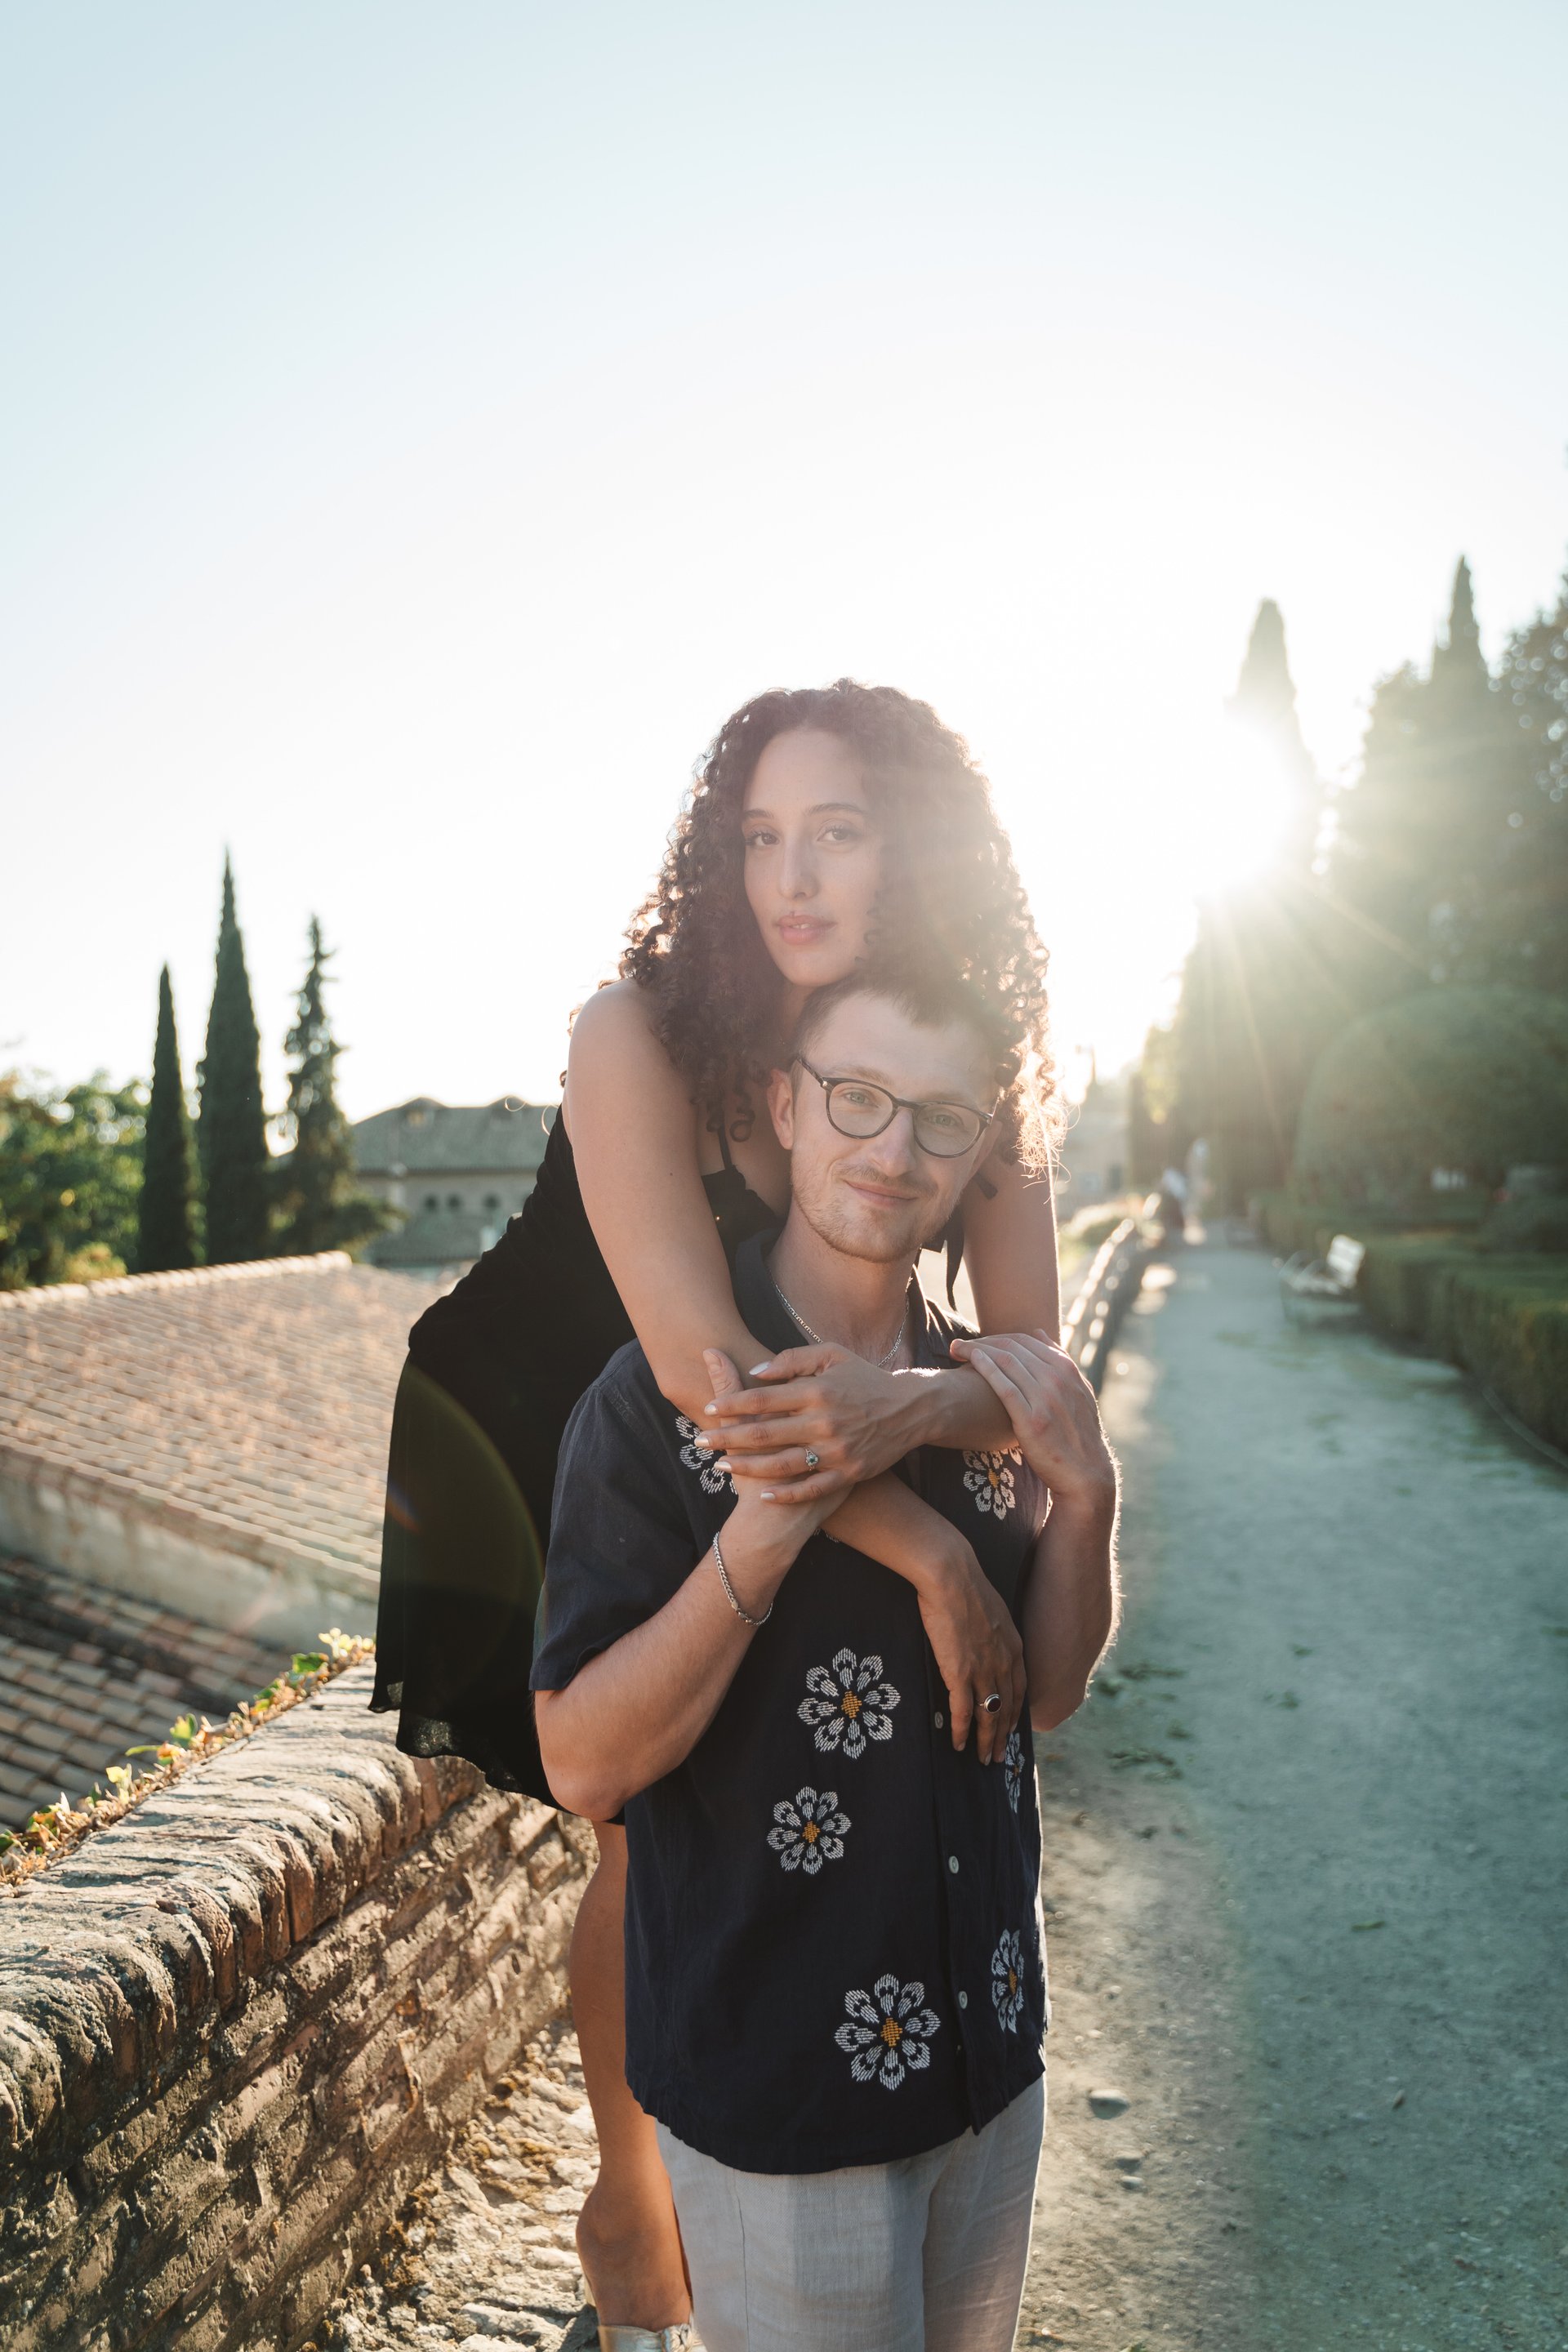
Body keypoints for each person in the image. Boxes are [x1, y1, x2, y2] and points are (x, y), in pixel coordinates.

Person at [372, 680, 1063, 2346]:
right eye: (759, 837)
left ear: (920, 847)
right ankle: (634, 2203)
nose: (791, 877)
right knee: (634, 1813)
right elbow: (706, 1375)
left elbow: (1045, 1369)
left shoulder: (965, 1058)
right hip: (562, 1408)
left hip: (798, 1414)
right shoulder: (644, 1027)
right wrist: (930, 1545)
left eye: (835, 831)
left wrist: (933, 1407)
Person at [534, 972, 1120, 2352]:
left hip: (991, 2057)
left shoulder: (987, 1404)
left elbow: (1046, 1690)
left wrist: (1087, 1500)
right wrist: (772, 1525)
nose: (893, 1146)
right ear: (786, 1110)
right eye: (858, 1097)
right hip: (782, 2096)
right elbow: (581, 1760)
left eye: (942, 1118)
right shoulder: (655, 1408)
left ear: (984, 1152)